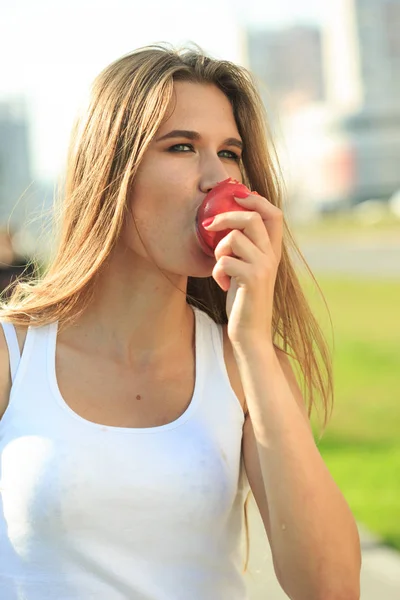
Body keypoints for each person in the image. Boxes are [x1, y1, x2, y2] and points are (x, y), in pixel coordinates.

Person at [0, 44, 361, 599]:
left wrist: (255, 348)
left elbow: (331, 589)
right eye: (182, 147)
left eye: (231, 152)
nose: (217, 179)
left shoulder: (245, 367)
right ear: (110, 171)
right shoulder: (12, 355)